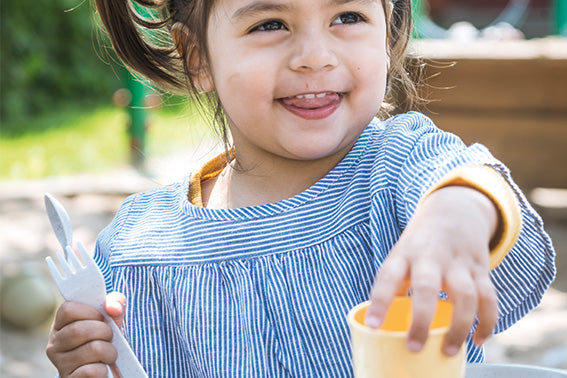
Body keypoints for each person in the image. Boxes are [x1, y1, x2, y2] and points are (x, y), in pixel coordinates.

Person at [46, 0, 556, 376]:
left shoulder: (400, 166)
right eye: (270, 24)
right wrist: (95, 358)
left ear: (387, 27)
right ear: (197, 56)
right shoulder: (140, 249)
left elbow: (468, 180)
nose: (314, 56)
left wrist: (454, 215)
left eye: (348, 17)